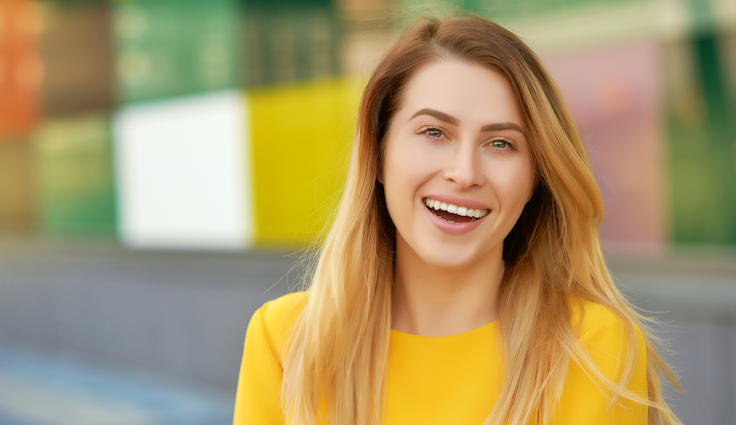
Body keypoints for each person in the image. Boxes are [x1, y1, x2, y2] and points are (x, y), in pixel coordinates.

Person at [234, 14, 682, 425]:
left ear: (534, 180)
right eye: (434, 132)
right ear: (378, 154)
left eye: (501, 143)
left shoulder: (592, 346)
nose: (464, 173)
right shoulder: (286, 342)